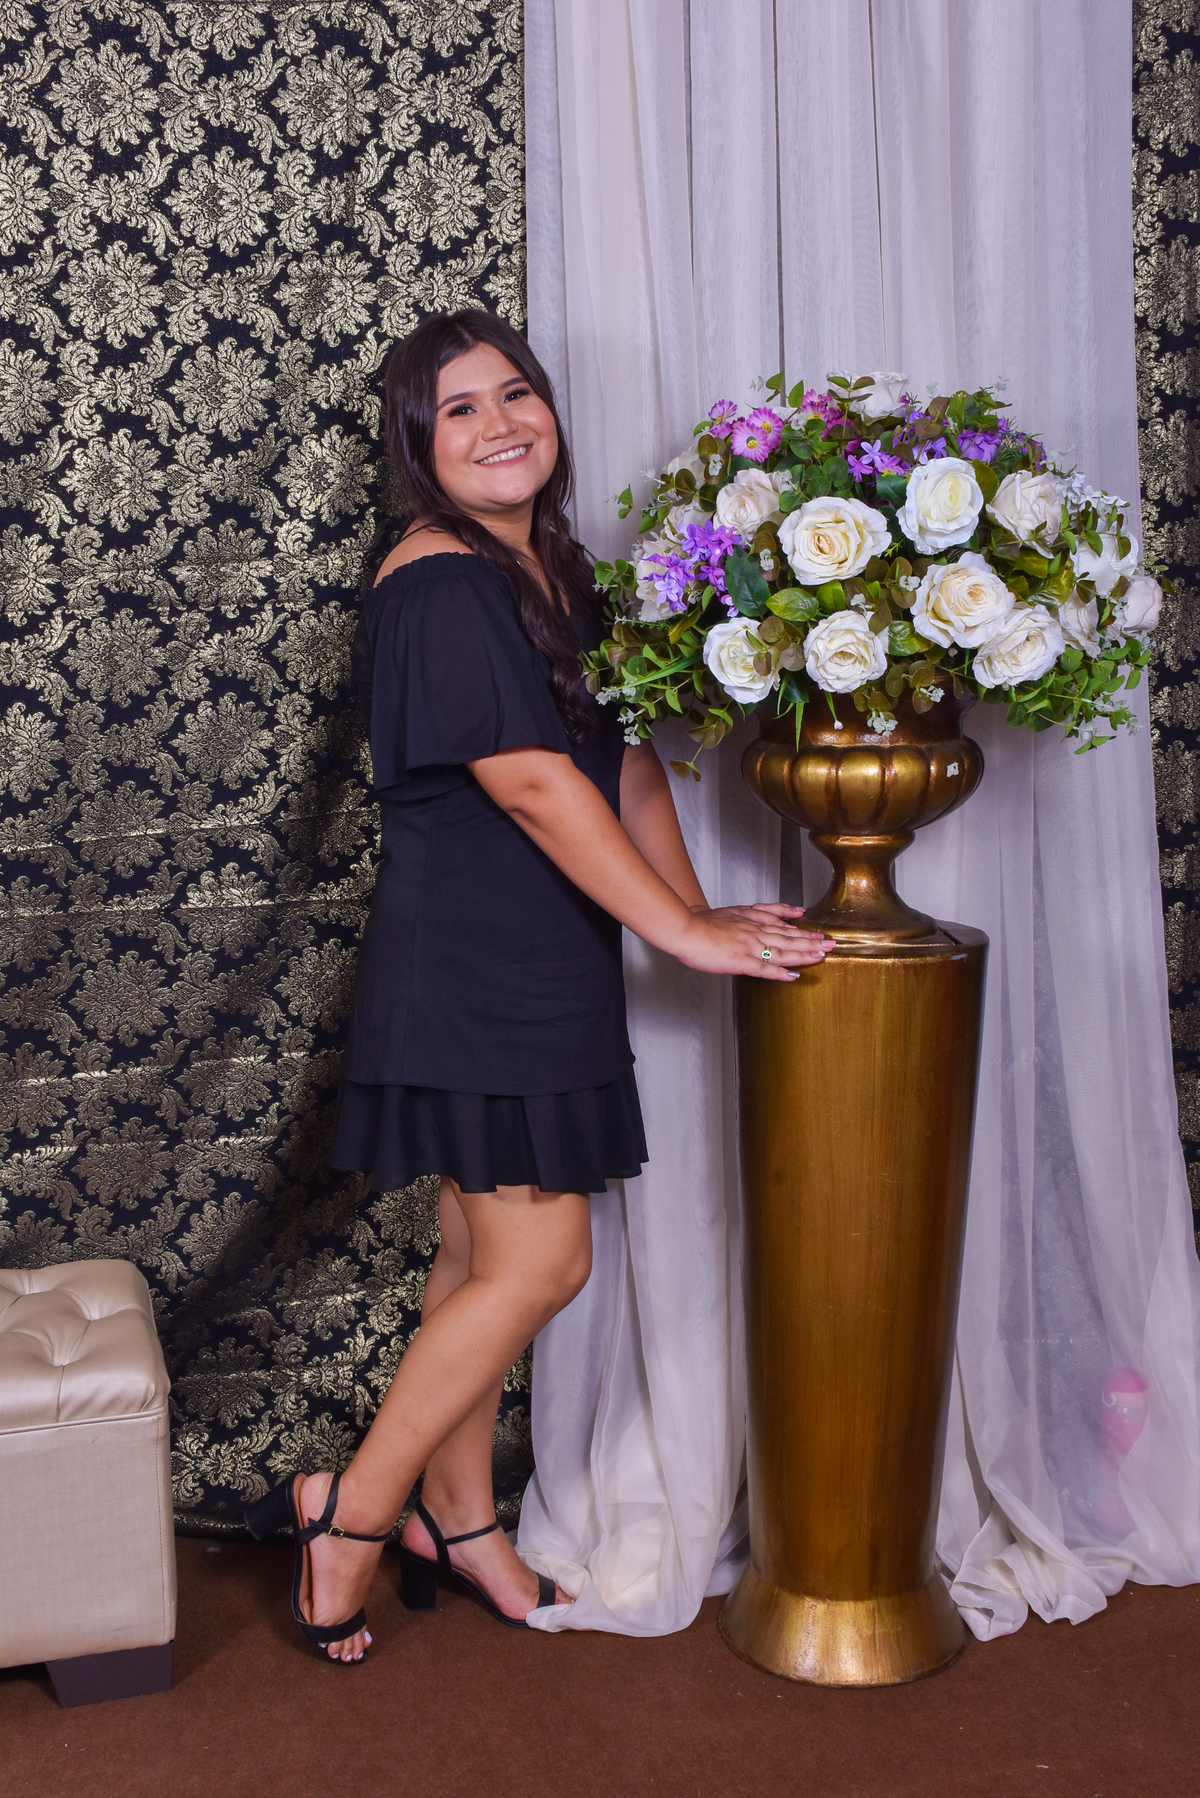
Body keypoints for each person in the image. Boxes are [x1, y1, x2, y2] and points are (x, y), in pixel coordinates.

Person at [244, 309, 831, 1661]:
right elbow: (525, 780)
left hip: (538, 958)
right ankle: (348, 1513)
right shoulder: (438, 579)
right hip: (475, 966)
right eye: (460, 408)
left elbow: (621, 767)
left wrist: (690, 913)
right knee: (545, 1261)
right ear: (417, 444)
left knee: (474, 1258)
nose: (501, 423)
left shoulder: (554, 572)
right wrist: (681, 936)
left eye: (517, 393)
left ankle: (461, 1526)